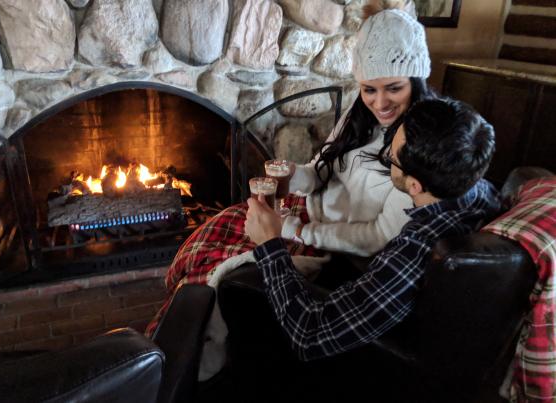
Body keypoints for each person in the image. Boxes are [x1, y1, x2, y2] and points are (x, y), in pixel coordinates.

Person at [145, 0, 434, 337]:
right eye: (369, 89)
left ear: (417, 79)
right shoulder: (360, 113)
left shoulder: (418, 148)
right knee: (205, 237)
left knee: (213, 271)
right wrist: (293, 174)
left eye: (394, 88)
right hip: (304, 214)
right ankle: (172, 342)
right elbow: (319, 170)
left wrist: (294, 230)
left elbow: (377, 238)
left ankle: (184, 354)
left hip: (329, 244)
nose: (379, 103)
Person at [244, 97, 501, 361]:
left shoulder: (416, 249)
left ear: (414, 186)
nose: (387, 155)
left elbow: (310, 335)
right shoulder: (480, 190)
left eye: (391, 157)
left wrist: (269, 245)